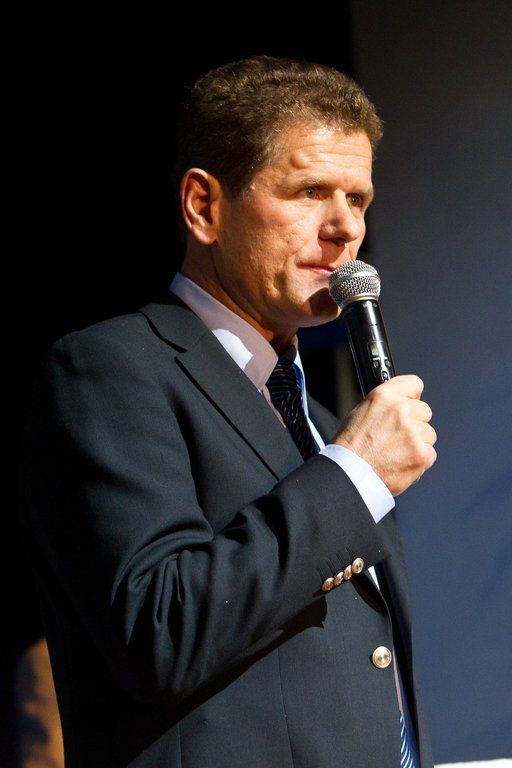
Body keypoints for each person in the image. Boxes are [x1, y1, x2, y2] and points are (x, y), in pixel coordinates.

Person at [21, 56, 437, 767]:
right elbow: (160, 631)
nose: (344, 228)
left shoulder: (317, 415)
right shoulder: (110, 370)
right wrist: (352, 474)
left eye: (358, 199)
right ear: (204, 207)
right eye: (310, 191)